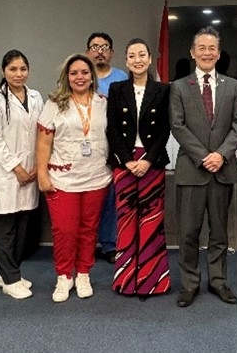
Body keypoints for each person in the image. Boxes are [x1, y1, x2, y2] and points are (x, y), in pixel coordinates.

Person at [170, 26, 237, 308]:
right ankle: (190, 284)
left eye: (211, 48)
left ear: (219, 53)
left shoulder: (232, 85)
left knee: (219, 232)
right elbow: (177, 126)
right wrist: (204, 156)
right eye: (201, 48)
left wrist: (221, 155)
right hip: (192, 169)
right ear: (192, 53)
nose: (206, 52)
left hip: (222, 170)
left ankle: (218, 281)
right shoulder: (179, 87)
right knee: (188, 232)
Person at [36, 53, 112, 303]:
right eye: (74, 73)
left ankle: (83, 273)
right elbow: (43, 143)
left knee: (89, 229)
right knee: (65, 230)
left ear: (92, 76)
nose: (80, 77)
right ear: (66, 77)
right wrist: (42, 174)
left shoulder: (103, 103)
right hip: (63, 179)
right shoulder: (54, 104)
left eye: (84, 72)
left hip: (96, 177)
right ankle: (63, 275)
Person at [106, 39, 171, 299]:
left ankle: (151, 281)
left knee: (151, 220)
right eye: (132, 55)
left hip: (151, 162)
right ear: (126, 61)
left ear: (150, 59)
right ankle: (125, 280)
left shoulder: (162, 89)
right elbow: (112, 128)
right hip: (124, 162)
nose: (137, 60)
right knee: (126, 220)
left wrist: (147, 160)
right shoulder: (117, 88)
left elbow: (164, 129)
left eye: (142, 54)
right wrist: (127, 159)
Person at [0, 50, 44, 300]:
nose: (19, 74)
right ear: (3, 71)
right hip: (8, 174)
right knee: (6, 228)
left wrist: (38, 165)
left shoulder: (36, 97)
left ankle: (7, 272)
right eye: (13, 69)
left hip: (32, 171)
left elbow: (42, 132)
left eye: (23, 69)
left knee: (22, 227)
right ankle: (10, 279)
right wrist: (17, 168)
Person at [86, 32, 128, 264]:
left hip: (113, 146)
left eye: (104, 47)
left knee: (111, 197)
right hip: (85, 146)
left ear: (112, 52)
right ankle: (87, 243)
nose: (99, 51)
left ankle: (110, 243)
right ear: (87, 52)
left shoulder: (121, 78)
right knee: (88, 197)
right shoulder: (81, 75)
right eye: (95, 47)